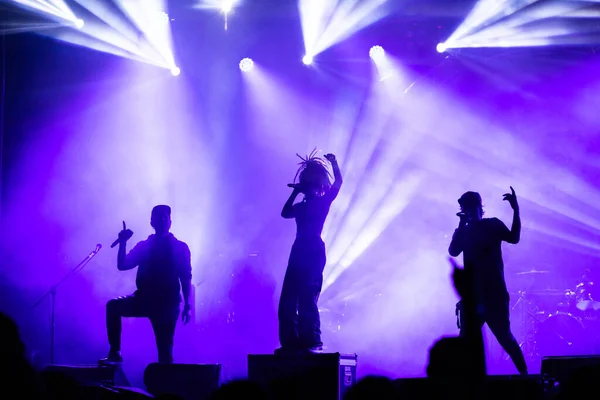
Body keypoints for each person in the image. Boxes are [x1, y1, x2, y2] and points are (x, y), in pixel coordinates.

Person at [448, 187, 528, 375]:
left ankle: (527, 378)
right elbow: (453, 251)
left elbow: (514, 238)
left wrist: (516, 210)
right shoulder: (463, 231)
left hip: (494, 294)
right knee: (465, 341)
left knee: (505, 338)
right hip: (473, 297)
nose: (467, 212)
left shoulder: (492, 225)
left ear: (479, 207)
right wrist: (461, 225)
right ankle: (463, 385)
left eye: (471, 207)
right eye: (464, 208)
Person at [100, 205, 192, 364]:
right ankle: (115, 352)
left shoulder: (179, 247)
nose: (162, 220)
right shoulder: (145, 246)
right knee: (113, 306)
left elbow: (186, 277)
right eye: (158, 217)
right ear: (152, 222)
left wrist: (188, 305)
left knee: (165, 352)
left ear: (170, 222)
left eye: (165, 217)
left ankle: (165, 383)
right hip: (144, 299)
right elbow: (123, 265)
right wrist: (123, 242)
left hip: (167, 304)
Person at [276, 149, 342, 354]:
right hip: (299, 249)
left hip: (313, 248)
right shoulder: (301, 206)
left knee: (307, 296)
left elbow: (338, 184)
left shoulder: (322, 203)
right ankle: (291, 342)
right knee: (288, 298)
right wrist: (295, 192)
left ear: (318, 186)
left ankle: (311, 340)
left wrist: (334, 163)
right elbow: (285, 213)